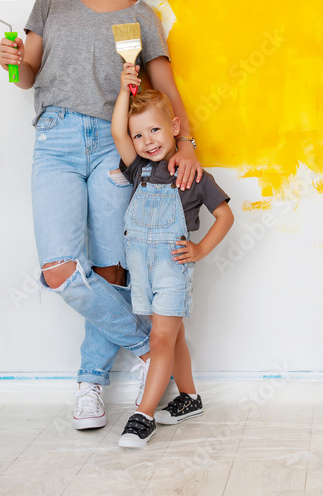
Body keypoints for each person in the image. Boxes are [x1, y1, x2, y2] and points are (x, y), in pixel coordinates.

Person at [0, 0, 203, 430]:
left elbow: (166, 87)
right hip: (57, 138)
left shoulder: (142, 16)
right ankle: (146, 346)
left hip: (118, 147)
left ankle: (90, 382)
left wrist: (187, 144)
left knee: (113, 269)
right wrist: (13, 62)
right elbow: (28, 77)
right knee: (60, 268)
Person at [110, 69, 233, 447]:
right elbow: (117, 131)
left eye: (156, 131)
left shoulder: (193, 175)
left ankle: (142, 415)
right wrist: (122, 89)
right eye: (139, 135)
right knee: (173, 336)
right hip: (142, 272)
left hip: (172, 272)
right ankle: (190, 398)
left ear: (175, 127)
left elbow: (226, 216)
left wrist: (200, 249)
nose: (147, 141)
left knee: (161, 339)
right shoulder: (138, 171)